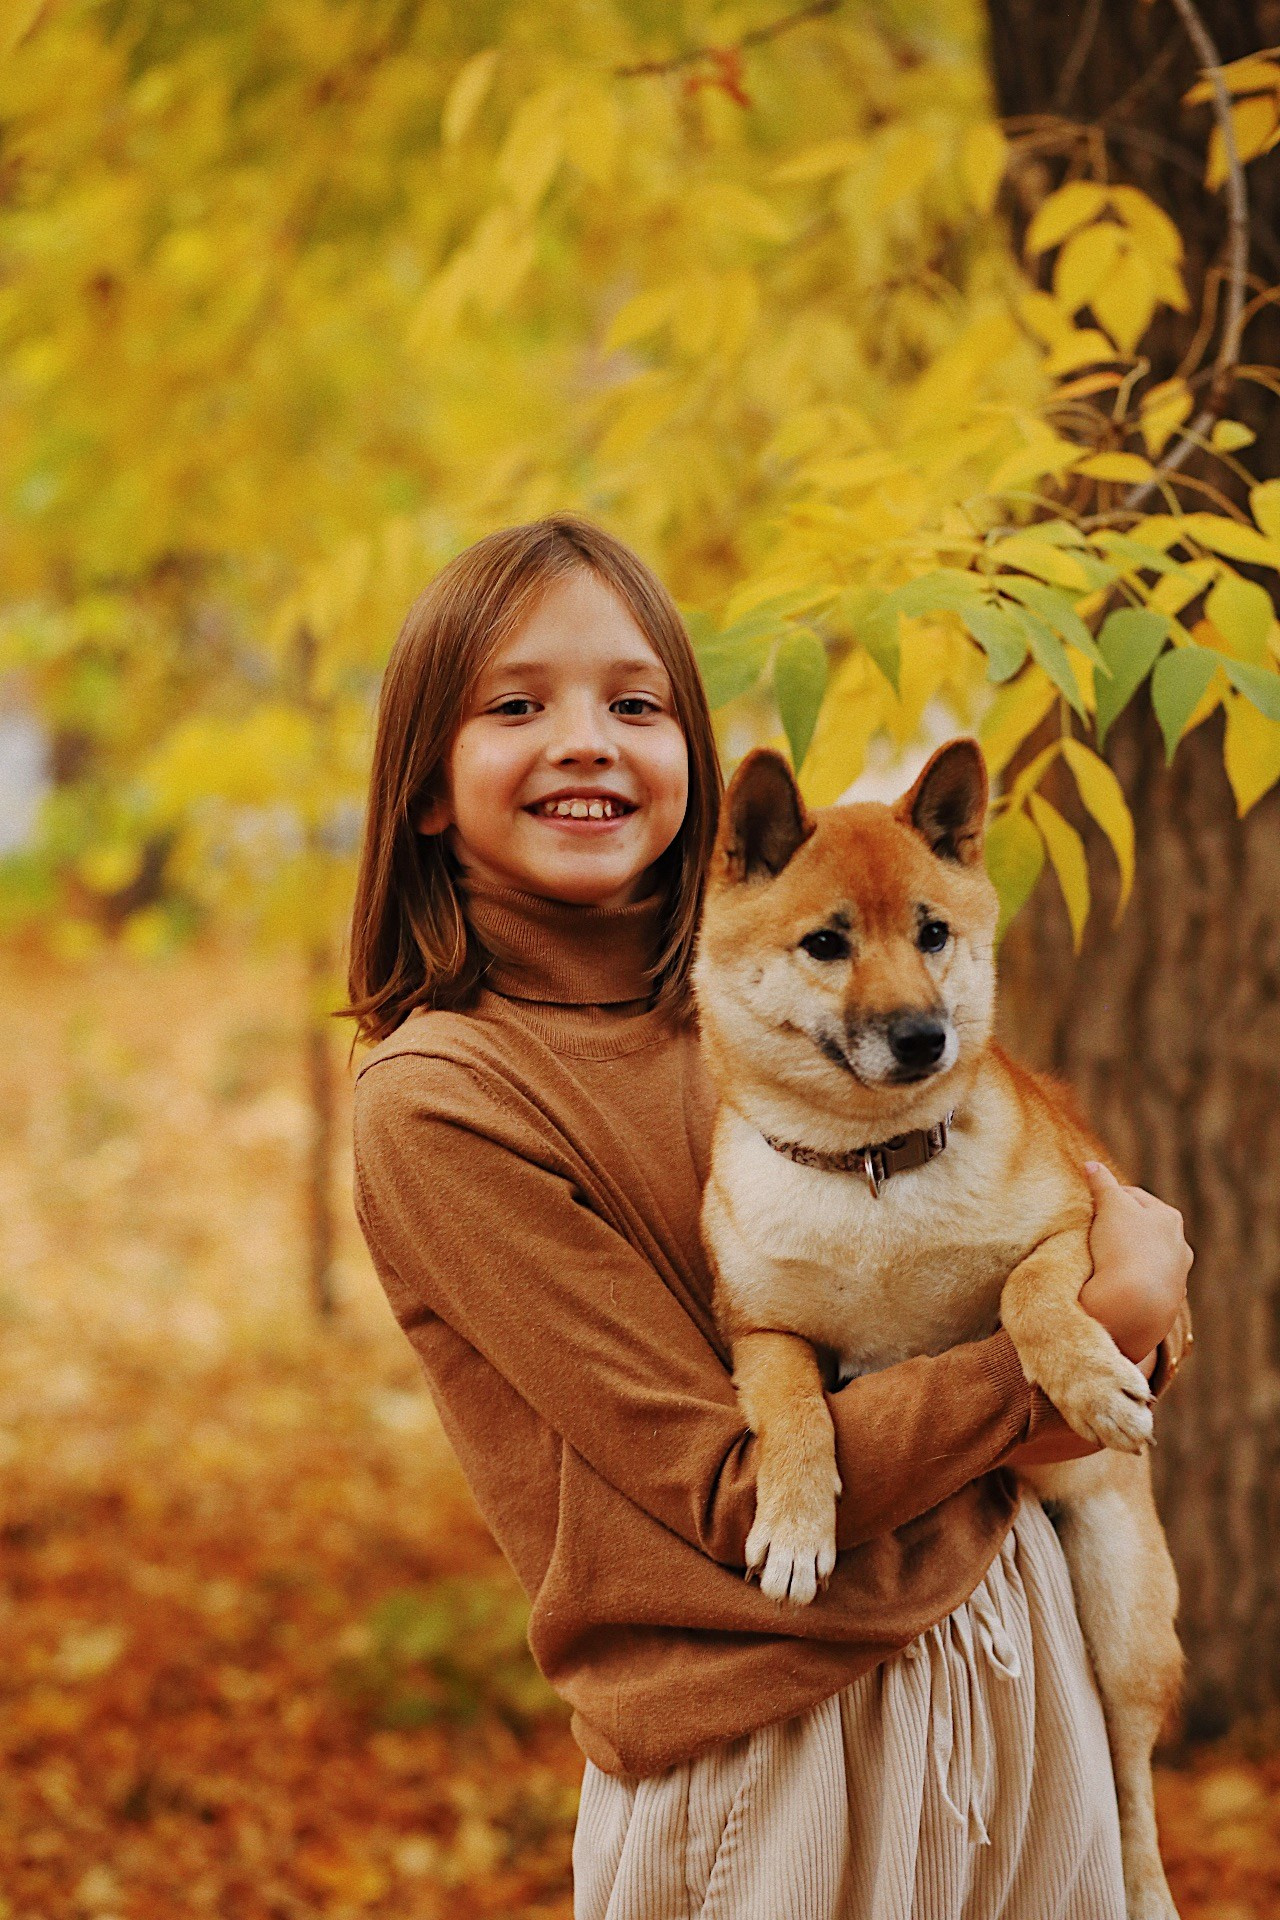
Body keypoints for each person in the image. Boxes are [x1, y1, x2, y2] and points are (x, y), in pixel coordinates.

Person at [345, 513, 1193, 1920]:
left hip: (1027, 1658)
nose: (585, 742)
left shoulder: (786, 1016)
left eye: (635, 704)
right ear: (425, 783)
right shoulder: (445, 1101)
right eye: (517, 706)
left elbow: (1101, 1322)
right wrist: (1072, 1345)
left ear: (694, 758)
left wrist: (1122, 1322)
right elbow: (734, 1495)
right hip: (763, 1745)